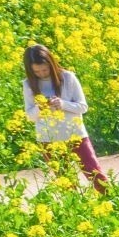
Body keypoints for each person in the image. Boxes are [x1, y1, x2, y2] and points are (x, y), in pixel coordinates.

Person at [22, 44, 107, 192]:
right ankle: (76, 211)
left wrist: (62, 104)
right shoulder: (28, 84)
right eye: (37, 71)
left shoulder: (68, 77)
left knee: (95, 174)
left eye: (45, 69)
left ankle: (111, 203)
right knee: (65, 182)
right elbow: (30, 116)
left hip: (75, 134)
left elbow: (83, 106)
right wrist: (40, 107)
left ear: (51, 64)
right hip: (48, 139)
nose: (42, 74)